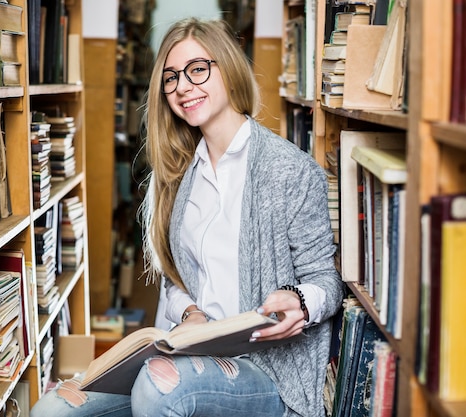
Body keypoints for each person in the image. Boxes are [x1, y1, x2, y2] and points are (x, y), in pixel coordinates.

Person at [31, 17, 344, 417]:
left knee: (159, 390)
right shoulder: (181, 171)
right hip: (195, 350)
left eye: (198, 69)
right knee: (51, 411)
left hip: (267, 368)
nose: (182, 87)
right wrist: (192, 314)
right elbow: (177, 277)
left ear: (228, 69)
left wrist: (301, 301)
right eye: (171, 77)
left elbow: (326, 281)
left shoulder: (289, 170)